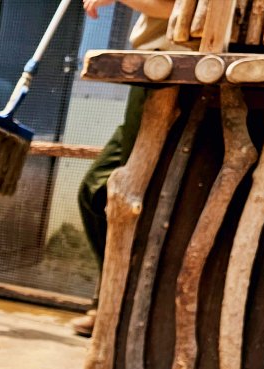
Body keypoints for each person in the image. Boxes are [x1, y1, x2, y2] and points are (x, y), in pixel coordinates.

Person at [71, 0, 184, 337]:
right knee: (95, 191)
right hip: (150, 70)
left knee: (141, 202)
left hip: (174, 71)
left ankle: (119, 307)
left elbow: (178, 10)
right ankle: (109, 296)